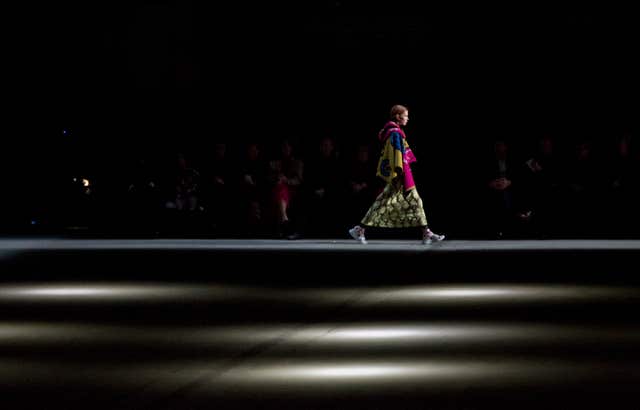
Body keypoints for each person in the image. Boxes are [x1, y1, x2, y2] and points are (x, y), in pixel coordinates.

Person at [348, 104, 445, 244]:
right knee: (397, 203)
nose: (408, 119)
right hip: (399, 176)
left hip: (399, 176)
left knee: (400, 202)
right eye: (406, 116)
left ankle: (426, 232)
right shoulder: (395, 133)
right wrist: (400, 175)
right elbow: (397, 156)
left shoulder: (395, 132)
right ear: (398, 117)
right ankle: (359, 229)